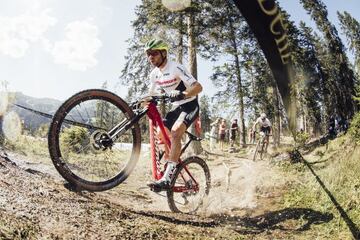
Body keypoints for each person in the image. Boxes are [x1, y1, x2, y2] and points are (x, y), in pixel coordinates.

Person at [144, 38, 203, 191]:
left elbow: (198, 87)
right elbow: (151, 94)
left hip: (190, 105)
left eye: (154, 53)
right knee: (160, 134)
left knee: (176, 132)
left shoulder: (176, 67)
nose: (151, 57)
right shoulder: (154, 74)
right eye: (148, 54)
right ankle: (171, 161)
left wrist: (183, 94)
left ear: (163, 53)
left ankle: (168, 176)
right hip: (176, 108)